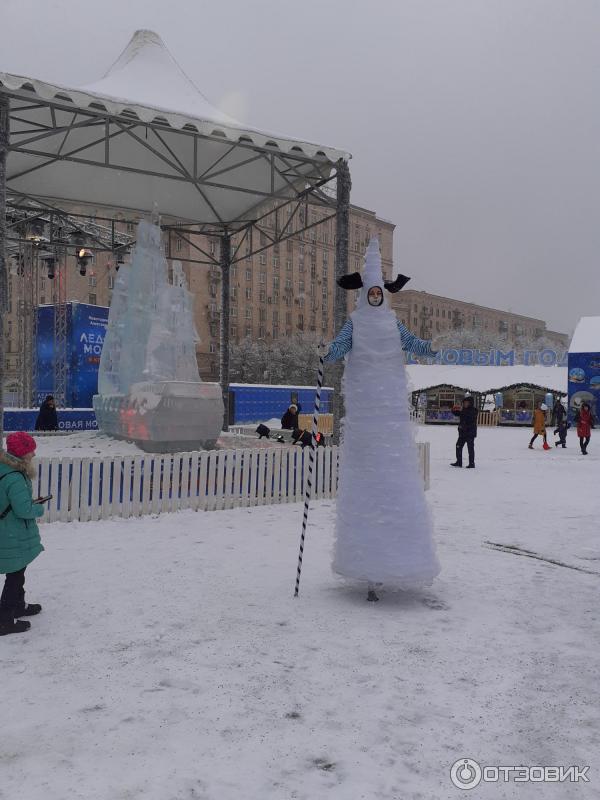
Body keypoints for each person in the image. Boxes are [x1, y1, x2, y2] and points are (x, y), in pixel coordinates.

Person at [323, 237, 440, 602]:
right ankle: (369, 564)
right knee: (369, 484)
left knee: (393, 481)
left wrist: (433, 347)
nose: (375, 298)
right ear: (364, 294)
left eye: (378, 293)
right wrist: (325, 353)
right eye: (370, 293)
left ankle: (398, 561)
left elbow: (415, 344)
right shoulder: (355, 324)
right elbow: (339, 348)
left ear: (383, 294)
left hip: (389, 414)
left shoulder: (392, 324)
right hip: (365, 416)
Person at [0, 432, 45, 636]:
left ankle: (19, 605)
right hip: (11, 533)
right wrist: (38, 508)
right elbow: (23, 510)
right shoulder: (15, 476)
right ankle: (5, 620)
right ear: (21, 453)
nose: (33, 454)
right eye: (30, 450)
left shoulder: (6, 468)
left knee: (18, 571)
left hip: (8, 530)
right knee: (15, 576)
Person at [450, 396, 478, 468]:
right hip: (463, 433)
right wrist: (453, 410)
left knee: (470, 448)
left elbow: (468, 420)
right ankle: (459, 462)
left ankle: (471, 464)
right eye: (464, 402)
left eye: (466, 403)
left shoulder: (473, 411)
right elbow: (459, 414)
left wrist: (463, 426)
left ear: (470, 403)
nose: (465, 404)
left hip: (470, 433)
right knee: (458, 446)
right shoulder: (464, 410)